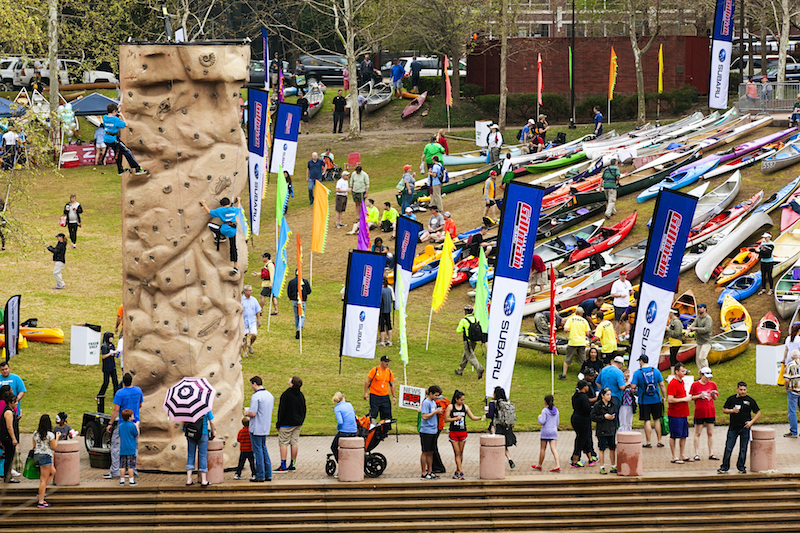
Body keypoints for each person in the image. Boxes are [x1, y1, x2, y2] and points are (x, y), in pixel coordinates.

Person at [104, 372, 143, 481]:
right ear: (132, 381)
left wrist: (110, 423)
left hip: (122, 423)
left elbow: (116, 409)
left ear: (123, 382)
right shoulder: (138, 391)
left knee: (116, 446)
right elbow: (140, 405)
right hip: (135, 423)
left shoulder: (120, 393)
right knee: (134, 446)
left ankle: (116, 470)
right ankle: (133, 470)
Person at [718, 382, 761, 474]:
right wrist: (732, 411)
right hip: (733, 427)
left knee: (743, 448)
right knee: (729, 447)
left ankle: (741, 466)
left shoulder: (749, 400)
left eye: (744, 390)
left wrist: (751, 422)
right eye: (741, 390)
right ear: (737, 389)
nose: (743, 392)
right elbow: (724, 410)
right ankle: (725, 466)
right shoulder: (732, 399)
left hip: (745, 427)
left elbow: (758, 412)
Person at [444, 390, 483, 479]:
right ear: (456, 399)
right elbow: (446, 419)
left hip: (463, 432)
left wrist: (481, 417)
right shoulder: (451, 407)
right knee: (457, 452)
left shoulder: (465, 407)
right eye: (461, 400)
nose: (462, 402)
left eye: (463, 400)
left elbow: (472, 417)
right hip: (453, 432)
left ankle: (457, 470)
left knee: (461, 453)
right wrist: (455, 419)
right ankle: (461, 472)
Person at [630, 354, 666, 448]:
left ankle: (648, 442)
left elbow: (633, 386)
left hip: (644, 400)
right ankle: (659, 440)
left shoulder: (638, 373)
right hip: (656, 399)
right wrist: (664, 396)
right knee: (657, 419)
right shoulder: (656, 371)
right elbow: (662, 385)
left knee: (647, 420)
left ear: (641, 361)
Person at [102, 103, 146, 176]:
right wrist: (122, 115)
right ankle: (137, 168)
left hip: (107, 139)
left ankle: (120, 169)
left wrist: (118, 107)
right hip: (114, 140)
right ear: (114, 111)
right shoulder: (115, 119)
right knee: (127, 152)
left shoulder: (105, 117)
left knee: (118, 153)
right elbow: (126, 124)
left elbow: (112, 116)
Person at [200, 197, 241, 273]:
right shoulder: (234, 209)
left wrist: (203, 203)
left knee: (210, 225)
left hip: (224, 230)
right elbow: (238, 208)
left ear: (222, 205)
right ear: (229, 203)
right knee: (233, 247)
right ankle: (235, 266)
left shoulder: (220, 210)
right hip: (233, 230)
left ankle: (219, 237)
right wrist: (238, 200)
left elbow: (209, 212)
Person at [274, 376, 306, 473]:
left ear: (292, 384)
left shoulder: (286, 395)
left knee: (283, 443)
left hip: (286, 423)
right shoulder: (301, 395)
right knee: (294, 442)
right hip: (298, 423)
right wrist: (301, 420)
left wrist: (278, 423)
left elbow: (282, 410)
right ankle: (292, 464)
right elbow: (304, 409)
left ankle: (283, 465)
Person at [246, 376, 274, 482]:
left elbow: (253, 413)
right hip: (265, 426)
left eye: (251, 384)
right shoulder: (269, 395)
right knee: (263, 449)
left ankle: (260, 475)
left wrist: (246, 413)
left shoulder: (256, 396)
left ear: (254, 384)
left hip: (256, 427)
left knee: (257, 451)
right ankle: (268, 473)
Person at [690, 366, 720, 460]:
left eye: (709, 377)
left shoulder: (712, 384)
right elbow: (691, 397)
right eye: (706, 377)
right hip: (699, 411)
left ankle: (711, 453)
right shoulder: (695, 385)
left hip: (710, 411)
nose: (708, 379)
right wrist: (699, 396)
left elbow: (715, 398)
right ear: (701, 375)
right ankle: (696, 453)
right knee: (697, 433)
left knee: (710, 433)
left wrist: (713, 394)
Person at [667, 363, 691, 463]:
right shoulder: (672, 383)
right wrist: (684, 399)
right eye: (682, 371)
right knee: (674, 435)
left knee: (684, 435)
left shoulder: (682, 382)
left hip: (683, 412)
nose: (683, 372)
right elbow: (670, 399)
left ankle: (682, 454)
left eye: (684, 370)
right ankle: (674, 456)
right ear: (676, 372)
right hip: (675, 413)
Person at [32, 414, 59, 505]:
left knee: (53, 472)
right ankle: (41, 501)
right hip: (45, 456)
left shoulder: (35, 433)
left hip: (37, 456)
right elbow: (54, 447)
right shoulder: (50, 435)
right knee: (43, 479)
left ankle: (41, 491)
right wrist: (57, 437)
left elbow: (34, 446)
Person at [487, 386, 516, 468]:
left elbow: (491, 415)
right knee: (504, 445)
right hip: (506, 426)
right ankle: (509, 458)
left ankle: (495, 462)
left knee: (495, 444)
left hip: (496, 426)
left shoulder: (493, 403)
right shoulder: (507, 403)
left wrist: (486, 413)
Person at [184, 409, 215, 486]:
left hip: (191, 433)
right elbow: (212, 422)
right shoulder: (206, 407)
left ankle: (189, 479)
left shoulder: (188, 408)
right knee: (202, 456)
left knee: (190, 455)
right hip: (203, 434)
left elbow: (183, 422)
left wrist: (184, 430)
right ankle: (203, 480)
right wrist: (213, 432)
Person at [591, 387, 618, 474]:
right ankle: (602, 466)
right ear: (602, 395)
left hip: (611, 429)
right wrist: (603, 417)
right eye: (607, 395)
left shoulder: (612, 404)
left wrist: (613, 417)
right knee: (602, 448)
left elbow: (615, 414)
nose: (609, 396)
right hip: (602, 430)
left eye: (610, 394)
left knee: (612, 448)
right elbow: (593, 417)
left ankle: (613, 465)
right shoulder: (597, 405)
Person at [532, 394, 561, 472]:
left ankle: (540, 465)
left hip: (545, 431)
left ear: (545, 402)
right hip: (554, 431)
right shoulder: (556, 411)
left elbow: (542, 421)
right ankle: (557, 465)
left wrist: (539, 417)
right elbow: (557, 422)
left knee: (542, 449)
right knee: (554, 449)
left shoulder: (544, 411)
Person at [560, 307, 590, 381]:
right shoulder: (584, 321)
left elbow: (565, 329)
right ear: (582, 314)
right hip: (582, 342)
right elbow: (587, 333)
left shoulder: (570, 319)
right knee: (583, 360)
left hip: (573, 342)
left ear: (575, 312)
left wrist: (570, 330)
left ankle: (564, 375)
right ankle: (585, 376)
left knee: (568, 358)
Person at [419, 385, 443, 479]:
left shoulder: (433, 402)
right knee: (425, 451)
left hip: (433, 430)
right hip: (426, 431)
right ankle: (423, 472)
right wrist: (435, 412)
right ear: (431, 394)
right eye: (436, 395)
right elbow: (424, 416)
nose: (437, 397)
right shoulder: (426, 402)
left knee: (431, 452)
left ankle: (430, 470)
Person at [364, 355, 396, 423]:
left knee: (386, 414)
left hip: (385, 396)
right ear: (381, 362)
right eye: (385, 362)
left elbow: (392, 384)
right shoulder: (375, 370)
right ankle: (369, 427)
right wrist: (365, 392)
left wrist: (394, 396)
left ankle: (383, 429)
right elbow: (367, 381)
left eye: (388, 362)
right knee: (373, 413)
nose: (387, 363)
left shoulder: (389, 372)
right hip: (375, 395)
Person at [455, 305, 485, 379]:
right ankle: (460, 370)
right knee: (466, 355)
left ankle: (479, 368)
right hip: (474, 341)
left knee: (470, 356)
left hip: (467, 341)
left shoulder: (464, 320)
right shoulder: (476, 319)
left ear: (466, 312)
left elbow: (458, 331)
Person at [569, 380, 593, 468]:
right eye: (587, 386)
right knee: (581, 440)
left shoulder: (575, 396)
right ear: (584, 387)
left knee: (584, 438)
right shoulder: (584, 397)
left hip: (575, 418)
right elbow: (587, 409)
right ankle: (575, 460)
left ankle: (590, 458)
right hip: (583, 420)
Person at [331, 392, 358, 462]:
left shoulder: (337, 408)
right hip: (354, 431)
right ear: (343, 397)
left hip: (344, 432)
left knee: (333, 447)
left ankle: (340, 463)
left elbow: (340, 422)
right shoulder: (349, 405)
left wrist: (338, 428)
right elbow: (354, 415)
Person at [286, 271, 311, 339]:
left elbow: (289, 291)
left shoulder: (291, 282)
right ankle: (299, 328)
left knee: (296, 316)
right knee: (302, 316)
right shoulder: (305, 281)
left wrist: (291, 297)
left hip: (294, 300)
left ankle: (297, 328)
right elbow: (309, 291)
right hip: (302, 301)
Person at [117, 409, 139, 486]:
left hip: (123, 448)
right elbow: (137, 435)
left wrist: (119, 448)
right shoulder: (132, 426)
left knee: (122, 466)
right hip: (131, 449)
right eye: (132, 415)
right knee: (130, 466)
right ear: (130, 417)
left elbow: (119, 437)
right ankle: (131, 481)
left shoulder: (120, 426)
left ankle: (122, 480)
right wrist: (137, 426)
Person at [688, 303, 712, 370]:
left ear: (705, 309)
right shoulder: (698, 318)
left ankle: (707, 373)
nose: (699, 309)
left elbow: (707, 329)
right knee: (698, 360)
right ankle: (701, 376)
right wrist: (688, 331)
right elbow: (693, 324)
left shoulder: (708, 318)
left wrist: (696, 329)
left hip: (706, 342)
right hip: (699, 341)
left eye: (701, 307)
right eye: (699, 307)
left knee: (702, 358)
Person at [240, 285, 262, 356]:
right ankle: (245, 352)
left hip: (252, 321)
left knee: (254, 335)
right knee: (244, 337)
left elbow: (257, 311)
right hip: (244, 321)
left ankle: (250, 345)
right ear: (245, 291)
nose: (251, 292)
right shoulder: (241, 300)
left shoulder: (254, 300)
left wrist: (259, 320)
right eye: (249, 290)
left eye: (251, 290)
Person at [1, 394, 18, 483]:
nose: (17, 403)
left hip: (7, 438)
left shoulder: (11, 411)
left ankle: (8, 475)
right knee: (9, 457)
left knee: (9, 457)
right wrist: (13, 438)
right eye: (15, 402)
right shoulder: (8, 412)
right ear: (11, 402)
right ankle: (8, 477)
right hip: (8, 438)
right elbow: (9, 427)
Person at [610, 270, 633, 339]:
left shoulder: (628, 283)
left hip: (626, 304)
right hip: (619, 305)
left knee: (627, 320)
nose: (623, 277)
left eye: (624, 275)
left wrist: (631, 292)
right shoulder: (616, 284)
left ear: (626, 275)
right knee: (619, 320)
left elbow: (630, 290)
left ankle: (627, 334)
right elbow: (612, 294)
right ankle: (619, 334)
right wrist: (620, 295)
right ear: (620, 276)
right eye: (621, 275)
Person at [783, 349, 800, 438]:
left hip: (793, 390)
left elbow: (786, 380)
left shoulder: (790, 365)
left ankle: (794, 432)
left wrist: (787, 388)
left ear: (791, 357)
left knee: (792, 412)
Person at [99, 332, 119, 397]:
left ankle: (116, 394)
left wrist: (116, 353)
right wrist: (111, 353)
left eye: (112, 338)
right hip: (106, 366)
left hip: (112, 365)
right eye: (110, 338)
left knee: (115, 381)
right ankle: (100, 394)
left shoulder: (112, 346)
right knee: (106, 382)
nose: (111, 339)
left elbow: (113, 354)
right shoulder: (104, 346)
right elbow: (103, 356)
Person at [379, 278, 393, 347]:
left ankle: (382, 341)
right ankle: (389, 340)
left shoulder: (381, 291)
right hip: (388, 310)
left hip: (382, 310)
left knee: (382, 326)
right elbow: (391, 300)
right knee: (388, 325)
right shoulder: (389, 290)